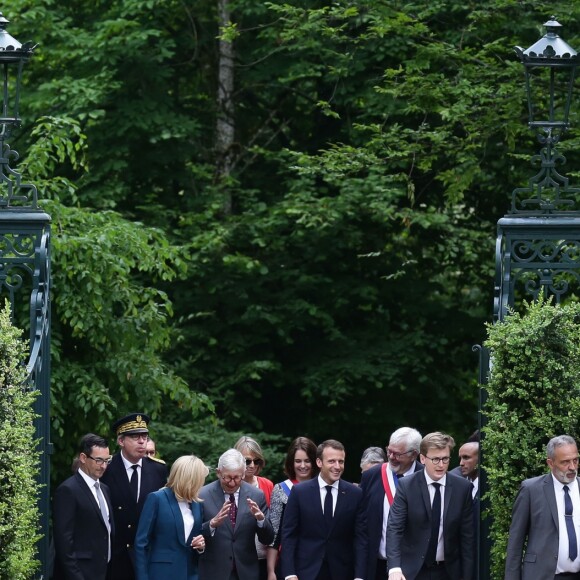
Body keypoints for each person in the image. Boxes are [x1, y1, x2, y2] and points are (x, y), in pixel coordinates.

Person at [386, 432, 474, 580]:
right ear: (423, 458)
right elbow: (394, 528)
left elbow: (467, 538)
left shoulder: (462, 488)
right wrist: (394, 567)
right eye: (435, 459)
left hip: (448, 572)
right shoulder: (407, 486)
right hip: (412, 572)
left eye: (445, 459)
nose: (441, 465)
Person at [280, 439, 368, 580]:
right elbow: (289, 535)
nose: (337, 466)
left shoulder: (355, 494)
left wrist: (359, 576)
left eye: (341, 461)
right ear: (319, 462)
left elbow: (361, 538)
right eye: (332, 461)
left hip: (343, 572)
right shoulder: (299, 492)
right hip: (306, 572)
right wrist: (290, 573)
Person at [100, 412, 168, 580]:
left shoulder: (158, 469)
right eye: (135, 436)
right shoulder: (106, 469)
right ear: (121, 441)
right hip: (115, 557)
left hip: (147, 556)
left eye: (144, 436)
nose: (141, 441)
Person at [505, 434, 580, 580]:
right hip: (542, 575)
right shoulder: (531, 489)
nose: (572, 467)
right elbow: (516, 541)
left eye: (575, 460)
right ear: (550, 463)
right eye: (565, 462)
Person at [199, 448, 274, 579]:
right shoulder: (203, 495)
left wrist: (261, 520)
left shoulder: (256, 495)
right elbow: (194, 534)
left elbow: (268, 539)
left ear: (244, 474)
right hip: (214, 572)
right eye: (227, 477)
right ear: (218, 473)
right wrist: (211, 524)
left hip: (246, 572)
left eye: (237, 478)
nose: (232, 483)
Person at [359, 427, 423, 580]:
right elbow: (361, 522)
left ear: (414, 454)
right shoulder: (371, 476)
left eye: (397, 454)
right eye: (389, 451)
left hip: (414, 568)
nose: (391, 457)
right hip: (377, 566)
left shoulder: (424, 478)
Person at [135, 455, 208, 580]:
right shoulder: (157, 499)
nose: (202, 483)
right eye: (200, 479)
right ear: (191, 479)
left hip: (190, 574)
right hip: (161, 574)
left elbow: (195, 538)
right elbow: (141, 544)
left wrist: (200, 546)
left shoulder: (197, 504)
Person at [53, 433, 114, 580]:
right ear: (83, 458)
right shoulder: (68, 489)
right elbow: (64, 542)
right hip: (79, 573)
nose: (104, 466)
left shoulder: (104, 489)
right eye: (99, 460)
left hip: (103, 571)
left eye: (107, 460)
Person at [266, 436, 318, 580]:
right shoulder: (281, 489)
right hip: (290, 562)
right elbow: (275, 534)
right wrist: (271, 571)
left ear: (315, 462)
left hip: (318, 561)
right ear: (291, 462)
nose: (303, 465)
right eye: (298, 461)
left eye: (307, 461)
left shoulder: (323, 488)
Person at [234, 435, 274, 579]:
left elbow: (273, 525)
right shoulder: (230, 485)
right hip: (239, 559)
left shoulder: (267, 485)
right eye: (247, 461)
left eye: (256, 461)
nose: (252, 465)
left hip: (264, 556)